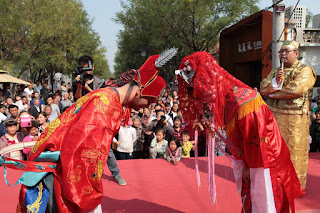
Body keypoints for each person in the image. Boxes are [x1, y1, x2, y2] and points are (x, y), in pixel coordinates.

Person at [9, 51, 173, 213]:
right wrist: (88, 197)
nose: (148, 105)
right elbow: (83, 153)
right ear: (139, 91)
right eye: (150, 100)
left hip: (60, 170)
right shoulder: (107, 105)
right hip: (64, 178)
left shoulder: (107, 95)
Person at [176, 51, 304, 212]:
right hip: (248, 160)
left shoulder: (244, 102)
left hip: (264, 161)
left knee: (265, 202)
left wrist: (249, 166)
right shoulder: (225, 101)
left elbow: (258, 139)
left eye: (197, 90)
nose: (198, 97)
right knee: (250, 200)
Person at [260, 40, 316, 189]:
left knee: (293, 151)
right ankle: (274, 182)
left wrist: (273, 94)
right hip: (273, 116)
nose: (283, 54)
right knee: (274, 150)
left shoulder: (305, 70)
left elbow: (296, 90)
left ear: (296, 53)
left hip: (295, 119)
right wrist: (275, 82)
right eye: (281, 51)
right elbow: (263, 87)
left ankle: (293, 186)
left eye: (287, 51)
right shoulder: (275, 71)